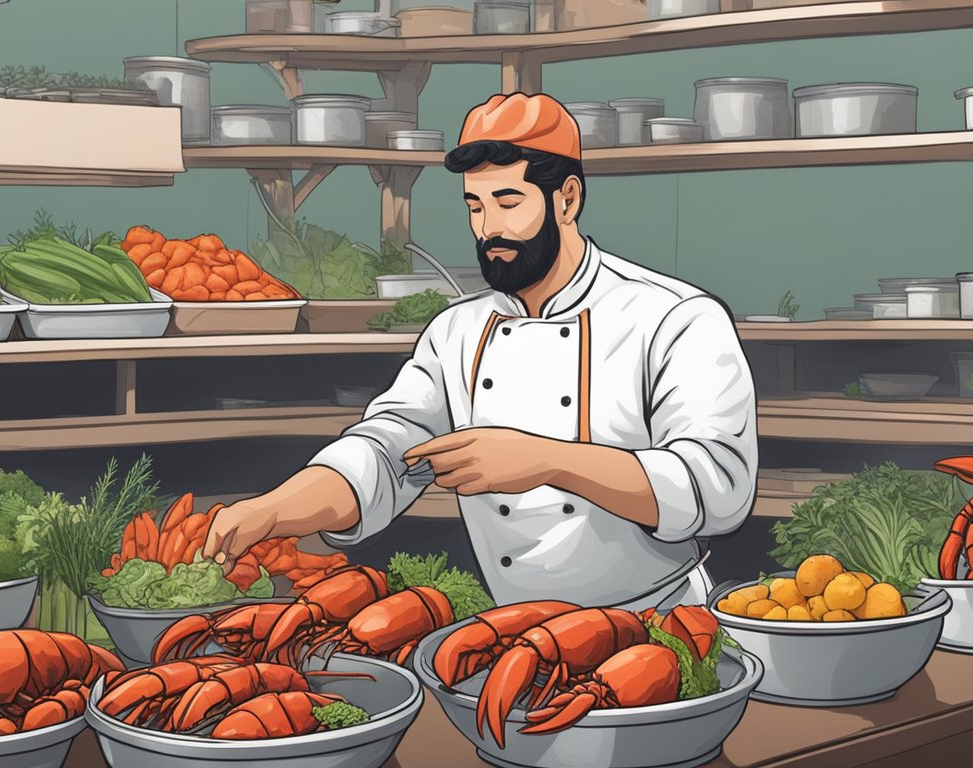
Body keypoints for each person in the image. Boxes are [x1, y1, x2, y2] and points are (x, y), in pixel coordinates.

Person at [203, 92, 758, 609]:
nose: (489, 227)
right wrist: (272, 510)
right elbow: (385, 455)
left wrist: (545, 460)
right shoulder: (457, 332)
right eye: (475, 205)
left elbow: (717, 488)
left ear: (567, 198)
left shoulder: (675, 317)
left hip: (660, 619)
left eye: (508, 201)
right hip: (513, 626)